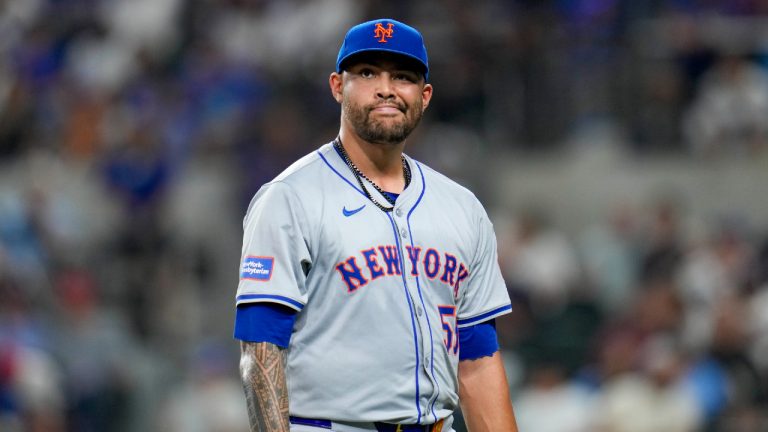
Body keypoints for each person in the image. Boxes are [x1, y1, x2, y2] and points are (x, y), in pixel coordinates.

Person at [234, 18, 519, 432]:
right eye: (367, 73)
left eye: (402, 76)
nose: (386, 88)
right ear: (337, 86)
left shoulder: (461, 207)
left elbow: (477, 359)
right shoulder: (290, 197)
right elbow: (260, 348)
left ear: (424, 96)